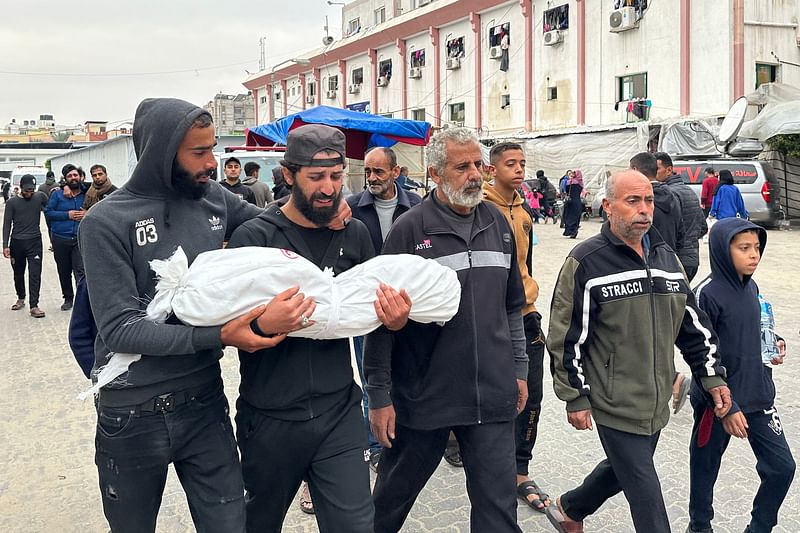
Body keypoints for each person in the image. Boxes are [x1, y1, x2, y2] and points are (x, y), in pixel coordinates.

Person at [78, 97, 309, 533]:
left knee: (229, 523)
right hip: (132, 411)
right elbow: (122, 330)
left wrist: (327, 205)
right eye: (199, 153)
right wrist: (221, 335)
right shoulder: (106, 222)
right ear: (162, 155)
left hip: (203, 402)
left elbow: (273, 226)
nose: (213, 163)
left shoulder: (213, 198)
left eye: (212, 149)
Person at [227, 124, 409, 533]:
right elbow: (227, 324)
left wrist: (393, 325)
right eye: (316, 178)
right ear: (289, 175)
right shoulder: (255, 237)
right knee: (257, 524)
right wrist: (262, 322)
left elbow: (375, 321)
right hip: (270, 418)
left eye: (336, 176)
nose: (329, 189)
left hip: (339, 413)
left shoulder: (355, 234)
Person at [545, 169, 731, 533]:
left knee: (623, 469)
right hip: (612, 400)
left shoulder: (667, 258)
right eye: (633, 201)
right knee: (645, 491)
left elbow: (692, 325)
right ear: (607, 207)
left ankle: (570, 508)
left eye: (648, 201)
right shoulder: (586, 261)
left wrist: (711, 375)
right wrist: (576, 396)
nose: (644, 209)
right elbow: (565, 337)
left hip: (656, 398)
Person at [364, 127, 528, 533]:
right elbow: (381, 323)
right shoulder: (409, 230)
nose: (475, 174)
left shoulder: (498, 223)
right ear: (435, 174)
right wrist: (380, 395)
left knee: (498, 510)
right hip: (425, 396)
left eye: (478, 164)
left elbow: (512, 306)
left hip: (491, 393)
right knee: (389, 502)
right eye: (462, 167)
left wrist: (519, 368)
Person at [687, 217, 795, 533]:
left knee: (781, 468)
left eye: (757, 248)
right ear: (723, 249)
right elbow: (700, 355)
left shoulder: (752, 286)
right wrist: (727, 407)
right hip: (718, 403)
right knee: (705, 466)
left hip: (759, 398)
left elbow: (753, 328)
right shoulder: (706, 294)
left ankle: (760, 527)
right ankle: (699, 525)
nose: (753, 255)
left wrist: (775, 341)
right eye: (743, 248)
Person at [484, 142, 550, 512]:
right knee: (493, 394)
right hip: (490, 319)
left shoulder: (524, 212)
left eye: (523, 163)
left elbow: (527, 265)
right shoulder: (481, 208)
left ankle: (520, 471)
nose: (519, 169)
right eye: (511, 163)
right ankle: (482, 461)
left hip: (526, 314)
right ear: (493, 169)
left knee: (533, 395)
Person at [656, 152, 707, 282]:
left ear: (669, 170)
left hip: (675, 261)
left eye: (657, 169)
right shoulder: (688, 191)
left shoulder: (667, 194)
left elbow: (668, 232)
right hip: (692, 260)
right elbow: (703, 227)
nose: (653, 172)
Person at [2, 174, 48, 318]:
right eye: (27, 190)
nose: (30, 193)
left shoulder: (40, 197)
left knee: (35, 274)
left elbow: (53, 205)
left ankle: (34, 305)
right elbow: (7, 224)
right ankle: (21, 298)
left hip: (34, 242)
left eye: (32, 190)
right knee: (18, 273)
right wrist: (5, 245)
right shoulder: (12, 202)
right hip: (17, 243)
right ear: (20, 187)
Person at [45, 163, 88, 311]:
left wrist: (87, 214)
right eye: (69, 176)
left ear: (80, 177)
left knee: (81, 271)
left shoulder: (87, 192)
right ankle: (68, 298)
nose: (73, 178)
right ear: (65, 179)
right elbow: (48, 213)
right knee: (64, 270)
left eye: (75, 175)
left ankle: (82, 300)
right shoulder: (57, 195)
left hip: (79, 239)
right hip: (60, 239)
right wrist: (66, 215)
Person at [630, 151, 684, 253]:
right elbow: (681, 233)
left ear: (635, 170)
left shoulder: (637, 201)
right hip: (669, 257)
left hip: (648, 261)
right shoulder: (673, 196)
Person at [562, 169, 584, 239]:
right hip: (577, 202)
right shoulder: (580, 183)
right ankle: (574, 231)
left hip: (569, 202)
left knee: (568, 216)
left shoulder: (569, 182)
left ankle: (569, 231)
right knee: (576, 217)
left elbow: (565, 190)